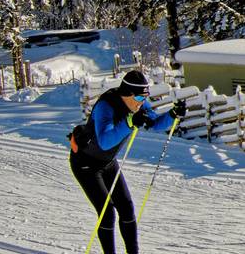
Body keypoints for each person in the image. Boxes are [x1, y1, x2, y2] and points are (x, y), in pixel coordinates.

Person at [67, 70, 186, 254]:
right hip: (86, 164)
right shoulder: (106, 106)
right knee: (107, 214)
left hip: (107, 162)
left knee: (127, 208)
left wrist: (172, 115)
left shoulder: (138, 105)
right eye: (139, 97)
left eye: (145, 97)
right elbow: (106, 141)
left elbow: (153, 123)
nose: (142, 102)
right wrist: (130, 123)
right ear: (128, 94)